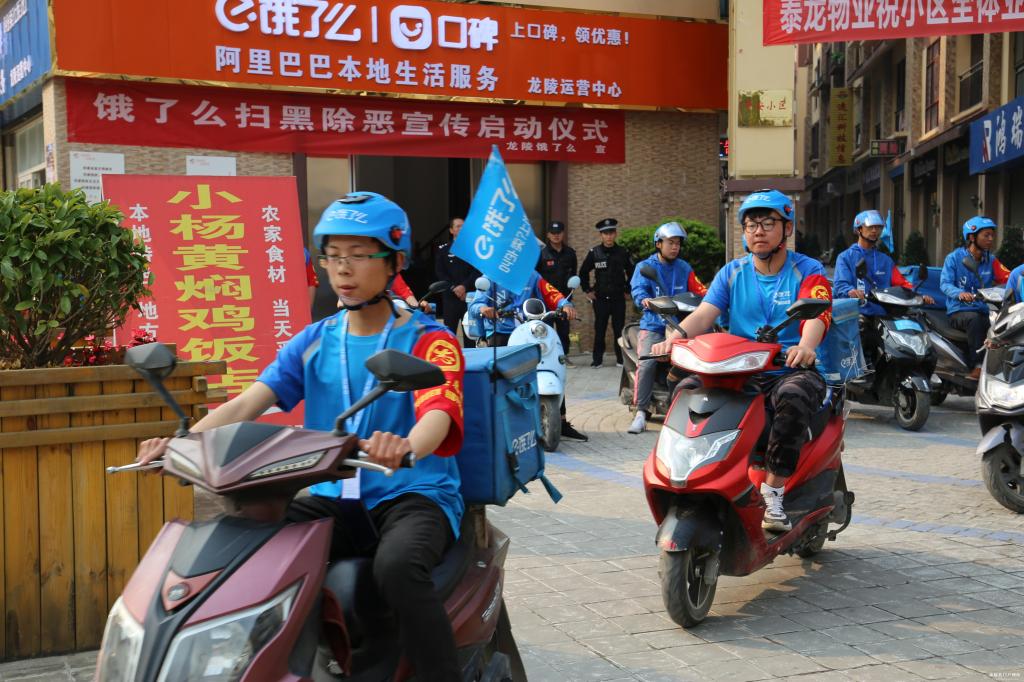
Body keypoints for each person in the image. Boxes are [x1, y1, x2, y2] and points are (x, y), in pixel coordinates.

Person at [137, 191, 465, 681]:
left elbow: (437, 414)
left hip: (412, 493)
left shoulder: (430, 340)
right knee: (251, 545)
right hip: (335, 494)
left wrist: (405, 447)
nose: (343, 268)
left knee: (397, 568)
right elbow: (248, 403)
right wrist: (178, 444)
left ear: (395, 261)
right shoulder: (314, 340)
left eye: (359, 254)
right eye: (333, 255)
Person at [651, 190, 832, 533]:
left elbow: (817, 313)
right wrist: (675, 338)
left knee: (793, 395)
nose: (758, 231)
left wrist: (806, 346)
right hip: (738, 369)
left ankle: (774, 492)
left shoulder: (808, 269)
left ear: (787, 228)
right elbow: (705, 314)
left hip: (788, 368)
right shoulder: (732, 272)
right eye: (751, 225)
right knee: (685, 388)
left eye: (767, 223)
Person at [469, 272, 588, 442]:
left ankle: (561, 421)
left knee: (553, 361)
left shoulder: (531, 275)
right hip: (501, 330)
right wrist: (483, 309)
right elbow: (475, 305)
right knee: (498, 377)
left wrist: (565, 304)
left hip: (530, 328)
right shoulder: (490, 276)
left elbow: (550, 292)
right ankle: (496, 422)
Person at [627, 222, 707, 435]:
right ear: (658, 243)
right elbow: (638, 290)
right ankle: (641, 412)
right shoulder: (645, 267)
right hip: (654, 324)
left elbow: (699, 289)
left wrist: (710, 296)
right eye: (670, 242)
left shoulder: (684, 268)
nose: (675, 247)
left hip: (680, 325)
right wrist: (644, 300)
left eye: (678, 243)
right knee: (647, 363)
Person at [833, 210, 933, 364]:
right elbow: (841, 284)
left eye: (878, 227)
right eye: (870, 227)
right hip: (859, 311)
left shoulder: (885, 259)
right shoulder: (845, 257)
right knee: (862, 329)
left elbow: (902, 283)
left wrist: (918, 295)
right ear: (859, 229)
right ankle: (860, 368)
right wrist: (850, 291)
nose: (875, 231)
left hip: (885, 313)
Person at [939, 216, 1010, 380]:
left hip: (985, 310)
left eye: (992, 235)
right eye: (986, 235)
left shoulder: (991, 260)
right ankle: (977, 366)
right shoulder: (954, 258)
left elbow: (1008, 278)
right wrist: (959, 293)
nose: (991, 239)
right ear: (972, 237)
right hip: (959, 311)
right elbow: (945, 284)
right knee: (977, 320)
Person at [579, 218, 633, 368]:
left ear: (615, 234)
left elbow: (632, 272)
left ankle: (620, 359)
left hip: (618, 298)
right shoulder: (594, 253)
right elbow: (583, 272)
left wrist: (628, 290)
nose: (608, 236)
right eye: (605, 233)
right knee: (600, 329)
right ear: (601, 235)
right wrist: (587, 290)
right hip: (600, 298)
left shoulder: (623, 252)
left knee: (619, 329)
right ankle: (597, 360)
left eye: (611, 233)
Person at [536, 221, 578, 364]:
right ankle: (547, 359)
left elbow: (573, 274)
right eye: (553, 233)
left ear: (563, 234)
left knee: (564, 331)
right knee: (545, 330)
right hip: (545, 301)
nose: (556, 236)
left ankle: (563, 357)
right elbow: (536, 278)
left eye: (558, 233)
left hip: (564, 300)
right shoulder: (541, 254)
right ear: (548, 235)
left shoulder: (570, 253)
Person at [434, 217, 479, 339]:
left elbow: (476, 271)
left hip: (469, 297)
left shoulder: (473, 249)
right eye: (458, 226)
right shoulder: (443, 250)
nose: (461, 228)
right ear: (451, 230)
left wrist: (464, 286)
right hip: (450, 297)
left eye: (463, 226)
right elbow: (440, 272)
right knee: (449, 335)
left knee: (471, 336)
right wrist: (454, 287)